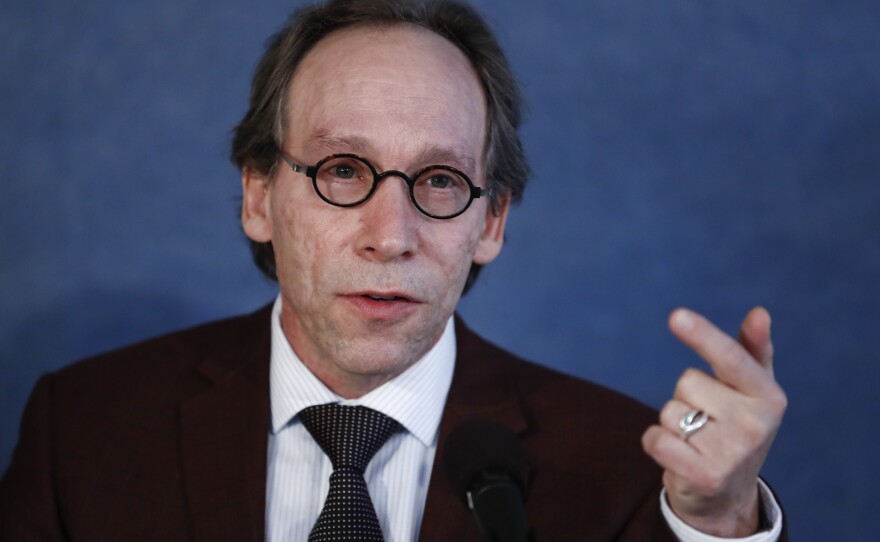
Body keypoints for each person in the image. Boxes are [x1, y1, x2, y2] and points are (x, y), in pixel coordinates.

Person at [0, 0, 788, 540]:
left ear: (491, 220)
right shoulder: (83, 431)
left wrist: (716, 524)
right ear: (257, 195)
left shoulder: (628, 468)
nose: (391, 236)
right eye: (344, 169)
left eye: (439, 181)